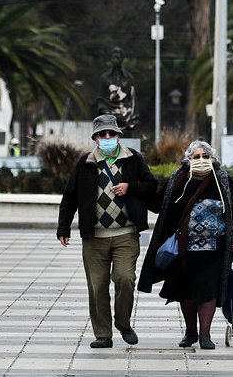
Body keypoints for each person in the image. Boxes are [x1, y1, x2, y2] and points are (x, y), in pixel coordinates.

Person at [57, 114, 158, 348]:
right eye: (102, 134)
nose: (107, 137)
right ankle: (103, 334)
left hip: (126, 233)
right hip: (94, 237)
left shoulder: (133, 159)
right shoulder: (85, 163)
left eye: (111, 133)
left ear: (119, 135)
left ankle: (123, 322)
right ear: (95, 138)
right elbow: (70, 197)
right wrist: (64, 227)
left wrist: (130, 187)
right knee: (97, 286)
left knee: (125, 278)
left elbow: (151, 185)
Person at [138, 140, 233, 350]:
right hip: (183, 249)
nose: (201, 161)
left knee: (207, 290)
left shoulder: (222, 179)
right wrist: (139, 187)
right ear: (188, 160)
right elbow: (157, 204)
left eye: (205, 157)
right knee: (186, 291)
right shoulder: (178, 179)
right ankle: (191, 333)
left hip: (213, 249)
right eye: (196, 157)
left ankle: (205, 335)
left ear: (212, 159)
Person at [95, 47, 138, 130]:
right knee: (106, 116)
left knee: (128, 117)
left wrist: (130, 112)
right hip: (109, 109)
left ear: (122, 59)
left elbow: (133, 98)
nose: (115, 60)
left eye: (118, 57)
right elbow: (100, 98)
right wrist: (103, 109)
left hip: (124, 110)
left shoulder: (129, 78)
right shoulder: (104, 78)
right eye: (113, 57)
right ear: (111, 59)